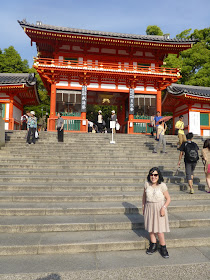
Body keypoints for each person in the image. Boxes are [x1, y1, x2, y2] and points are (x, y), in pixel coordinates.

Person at [142, 167, 171, 258]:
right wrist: (143, 207)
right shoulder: (147, 184)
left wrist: (163, 208)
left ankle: (163, 247)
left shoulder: (162, 185)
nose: (153, 177)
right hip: (149, 207)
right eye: (151, 174)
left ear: (158, 176)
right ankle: (153, 245)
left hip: (159, 208)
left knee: (159, 230)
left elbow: (168, 199)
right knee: (151, 228)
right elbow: (143, 198)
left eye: (155, 175)